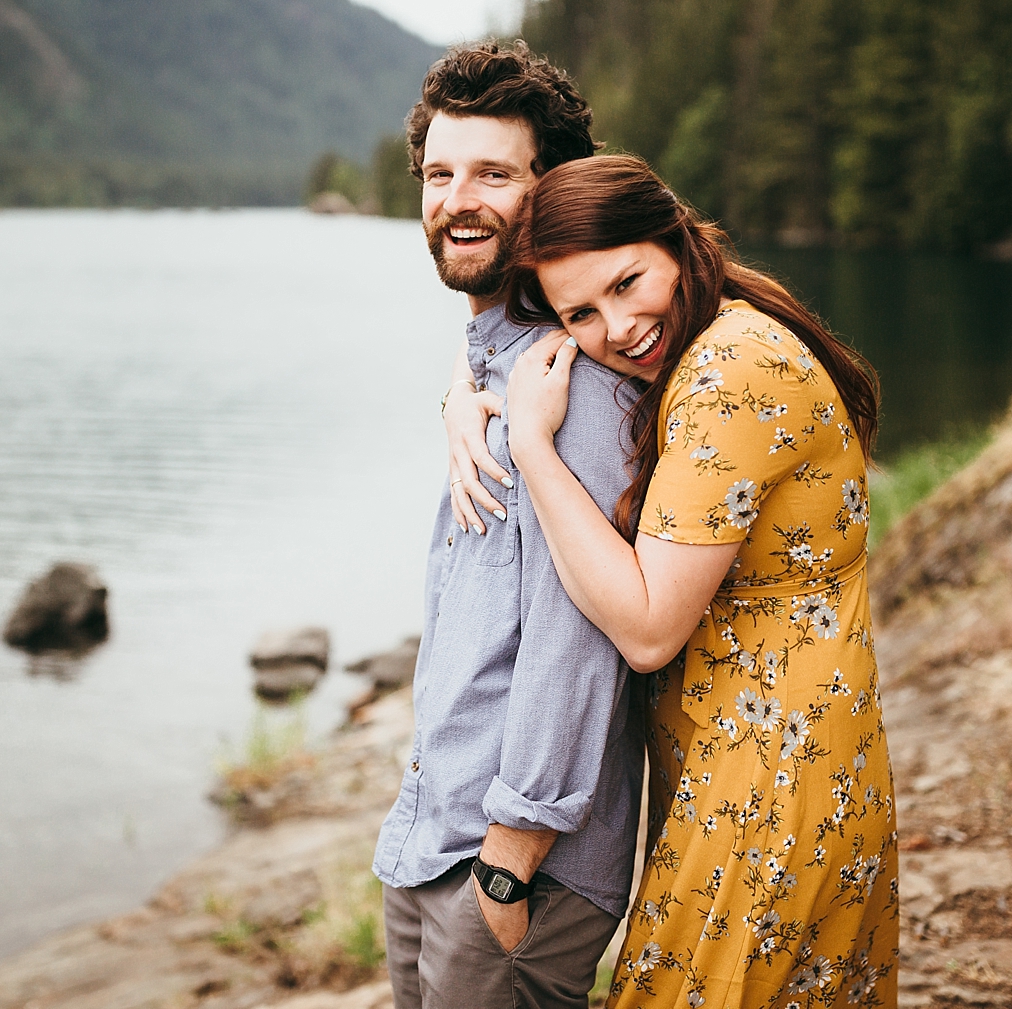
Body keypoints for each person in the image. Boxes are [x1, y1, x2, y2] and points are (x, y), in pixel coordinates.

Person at [480, 154, 900, 1007]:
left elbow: (646, 628)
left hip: (767, 783)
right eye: (581, 314)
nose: (619, 326)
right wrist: (465, 389)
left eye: (628, 281)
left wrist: (530, 445)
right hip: (786, 763)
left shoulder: (727, 373)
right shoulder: (725, 333)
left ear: (673, 238)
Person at [371, 43, 644, 1009]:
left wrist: (511, 856)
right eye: (440, 175)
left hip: (513, 857)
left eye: (494, 172)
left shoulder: (579, 378)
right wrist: (455, 389)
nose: (459, 199)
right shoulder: (493, 360)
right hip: (428, 833)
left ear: (552, 188)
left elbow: (579, 634)